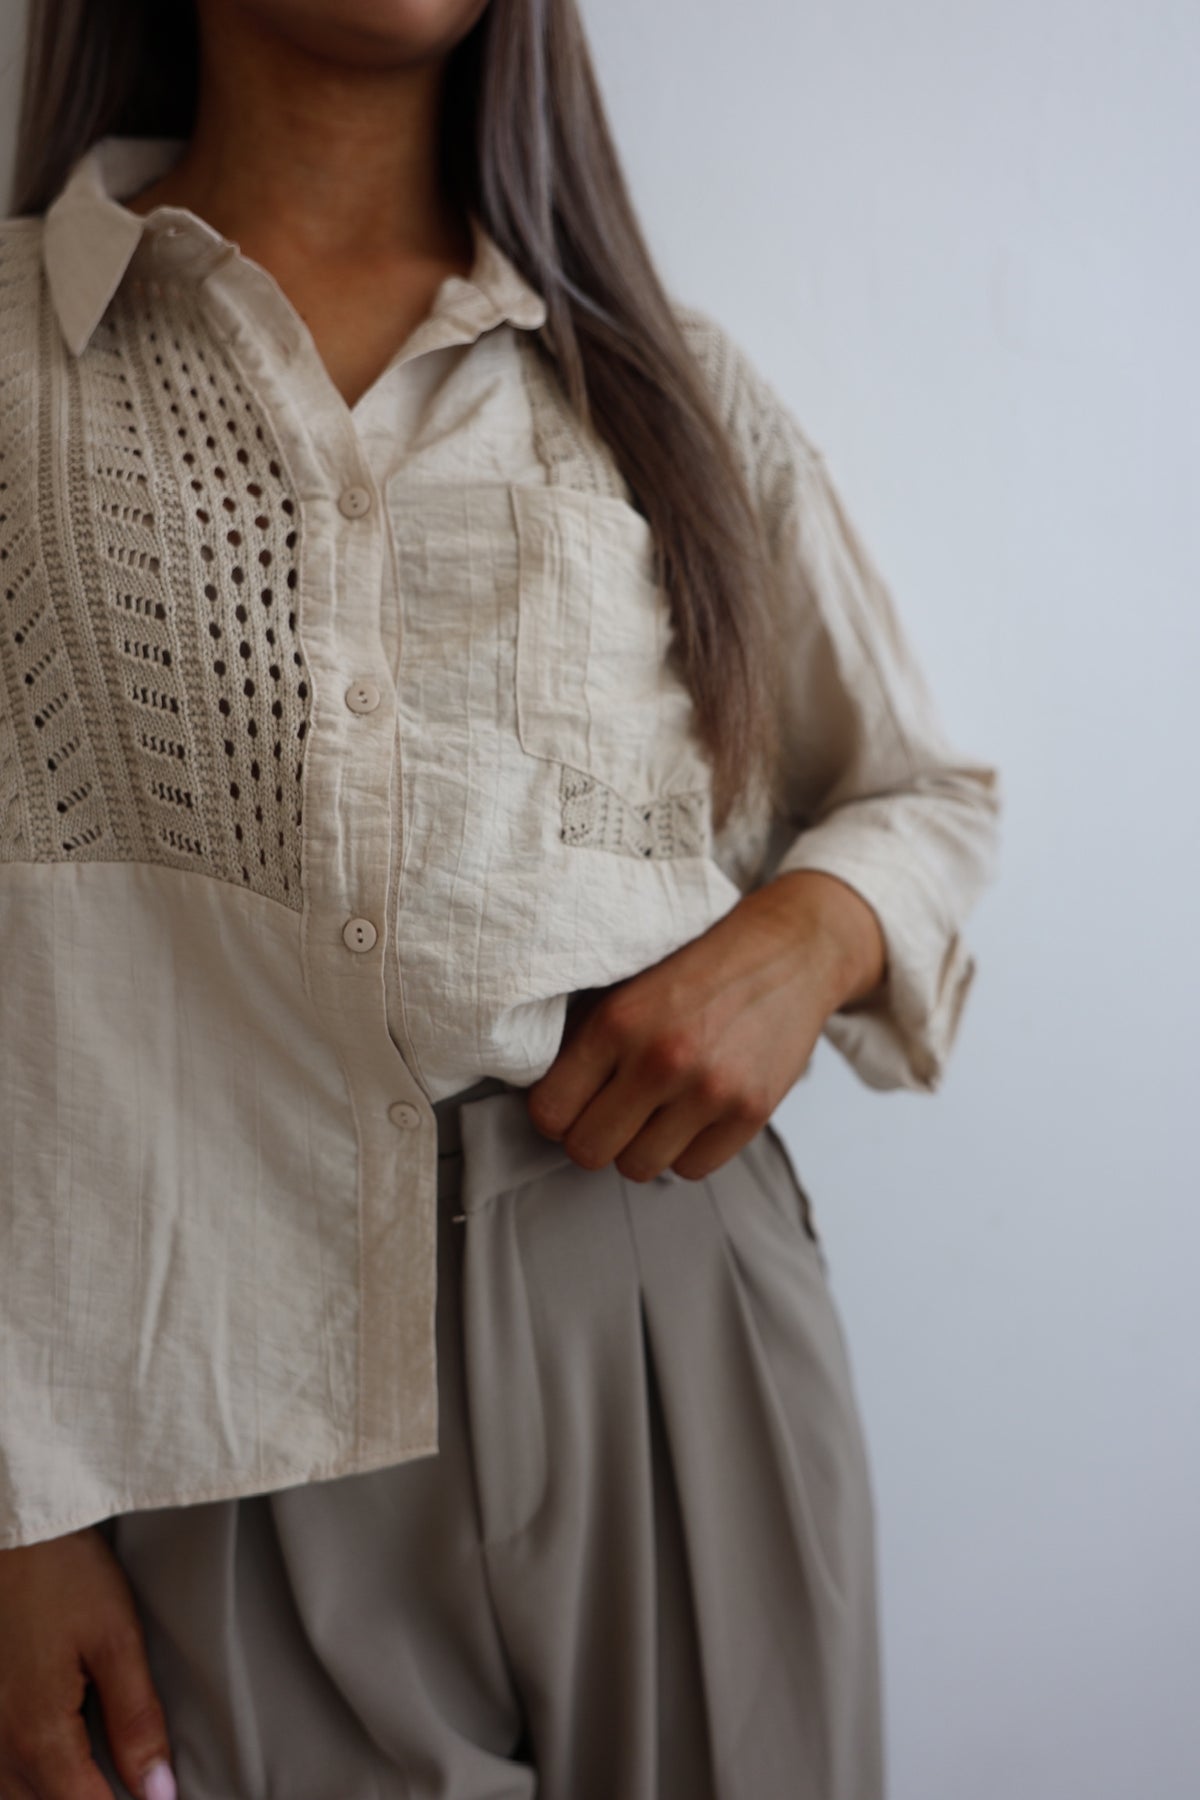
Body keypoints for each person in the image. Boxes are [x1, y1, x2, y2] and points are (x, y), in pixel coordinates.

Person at [0, 1, 1002, 1797]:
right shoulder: (17, 361)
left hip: (662, 1298)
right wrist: (12, 1503)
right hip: (185, 1380)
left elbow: (917, 795)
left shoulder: (662, 388)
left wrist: (804, 939)